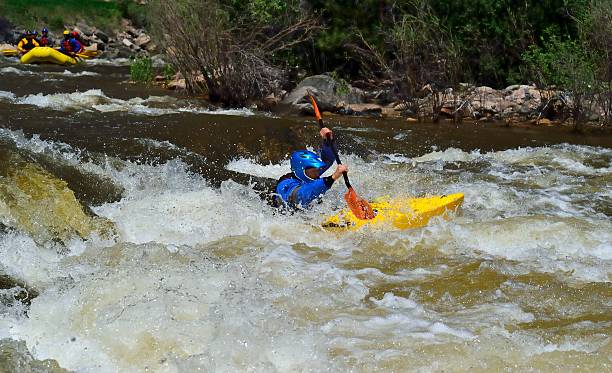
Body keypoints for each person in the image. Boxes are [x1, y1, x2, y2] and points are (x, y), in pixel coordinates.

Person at [274, 127, 348, 209]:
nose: (318, 172)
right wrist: (332, 178)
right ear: (301, 170)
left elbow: (327, 159)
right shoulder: (285, 185)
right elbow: (302, 195)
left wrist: (328, 141)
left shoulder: (310, 173)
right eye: (314, 170)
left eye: (318, 169)